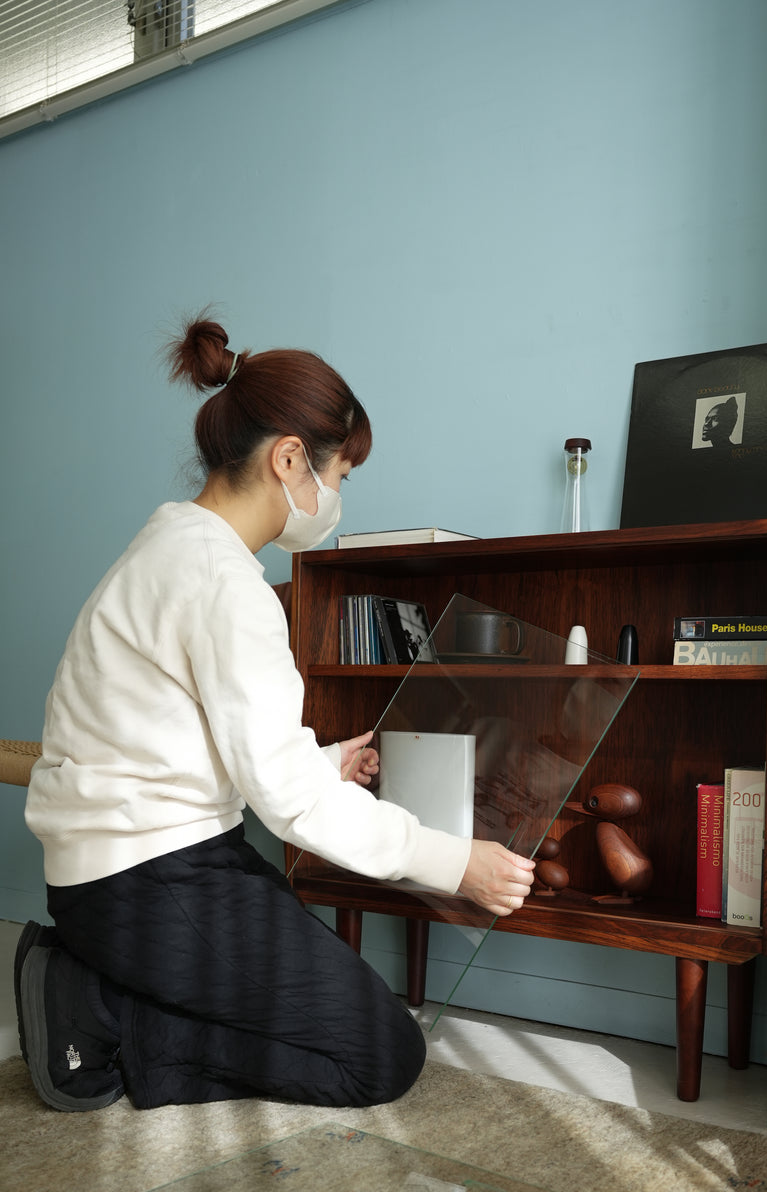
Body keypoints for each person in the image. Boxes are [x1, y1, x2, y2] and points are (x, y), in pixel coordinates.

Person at [16, 313, 535, 1114]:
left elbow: (176, 740)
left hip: (124, 871)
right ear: (290, 459)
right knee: (381, 1058)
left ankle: (102, 980)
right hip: (150, 876)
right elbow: (290, 809)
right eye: (342, 477)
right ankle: (100, 1017)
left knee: (321, 1013)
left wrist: (323, 763)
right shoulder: (228, 585)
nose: (336, 500)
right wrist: (454, 862)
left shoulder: (166, 546)